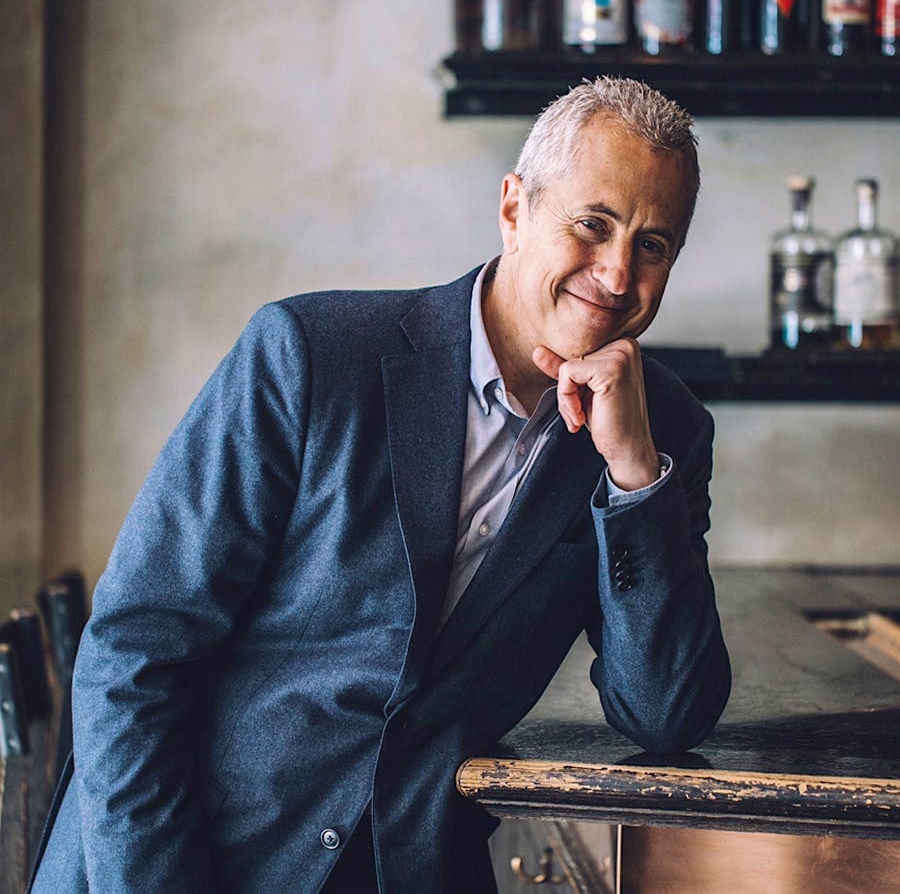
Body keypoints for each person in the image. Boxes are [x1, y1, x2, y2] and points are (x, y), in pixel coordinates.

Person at [30, 76, 730, 894]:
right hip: (180, 856)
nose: (616, 274)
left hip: (407, 867)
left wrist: (635, 475)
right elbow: (134, 652)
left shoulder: (666, 433)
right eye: (593, 224)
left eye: (653, 245)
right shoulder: (308, 353)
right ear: (513, 209)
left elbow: (665, 715)